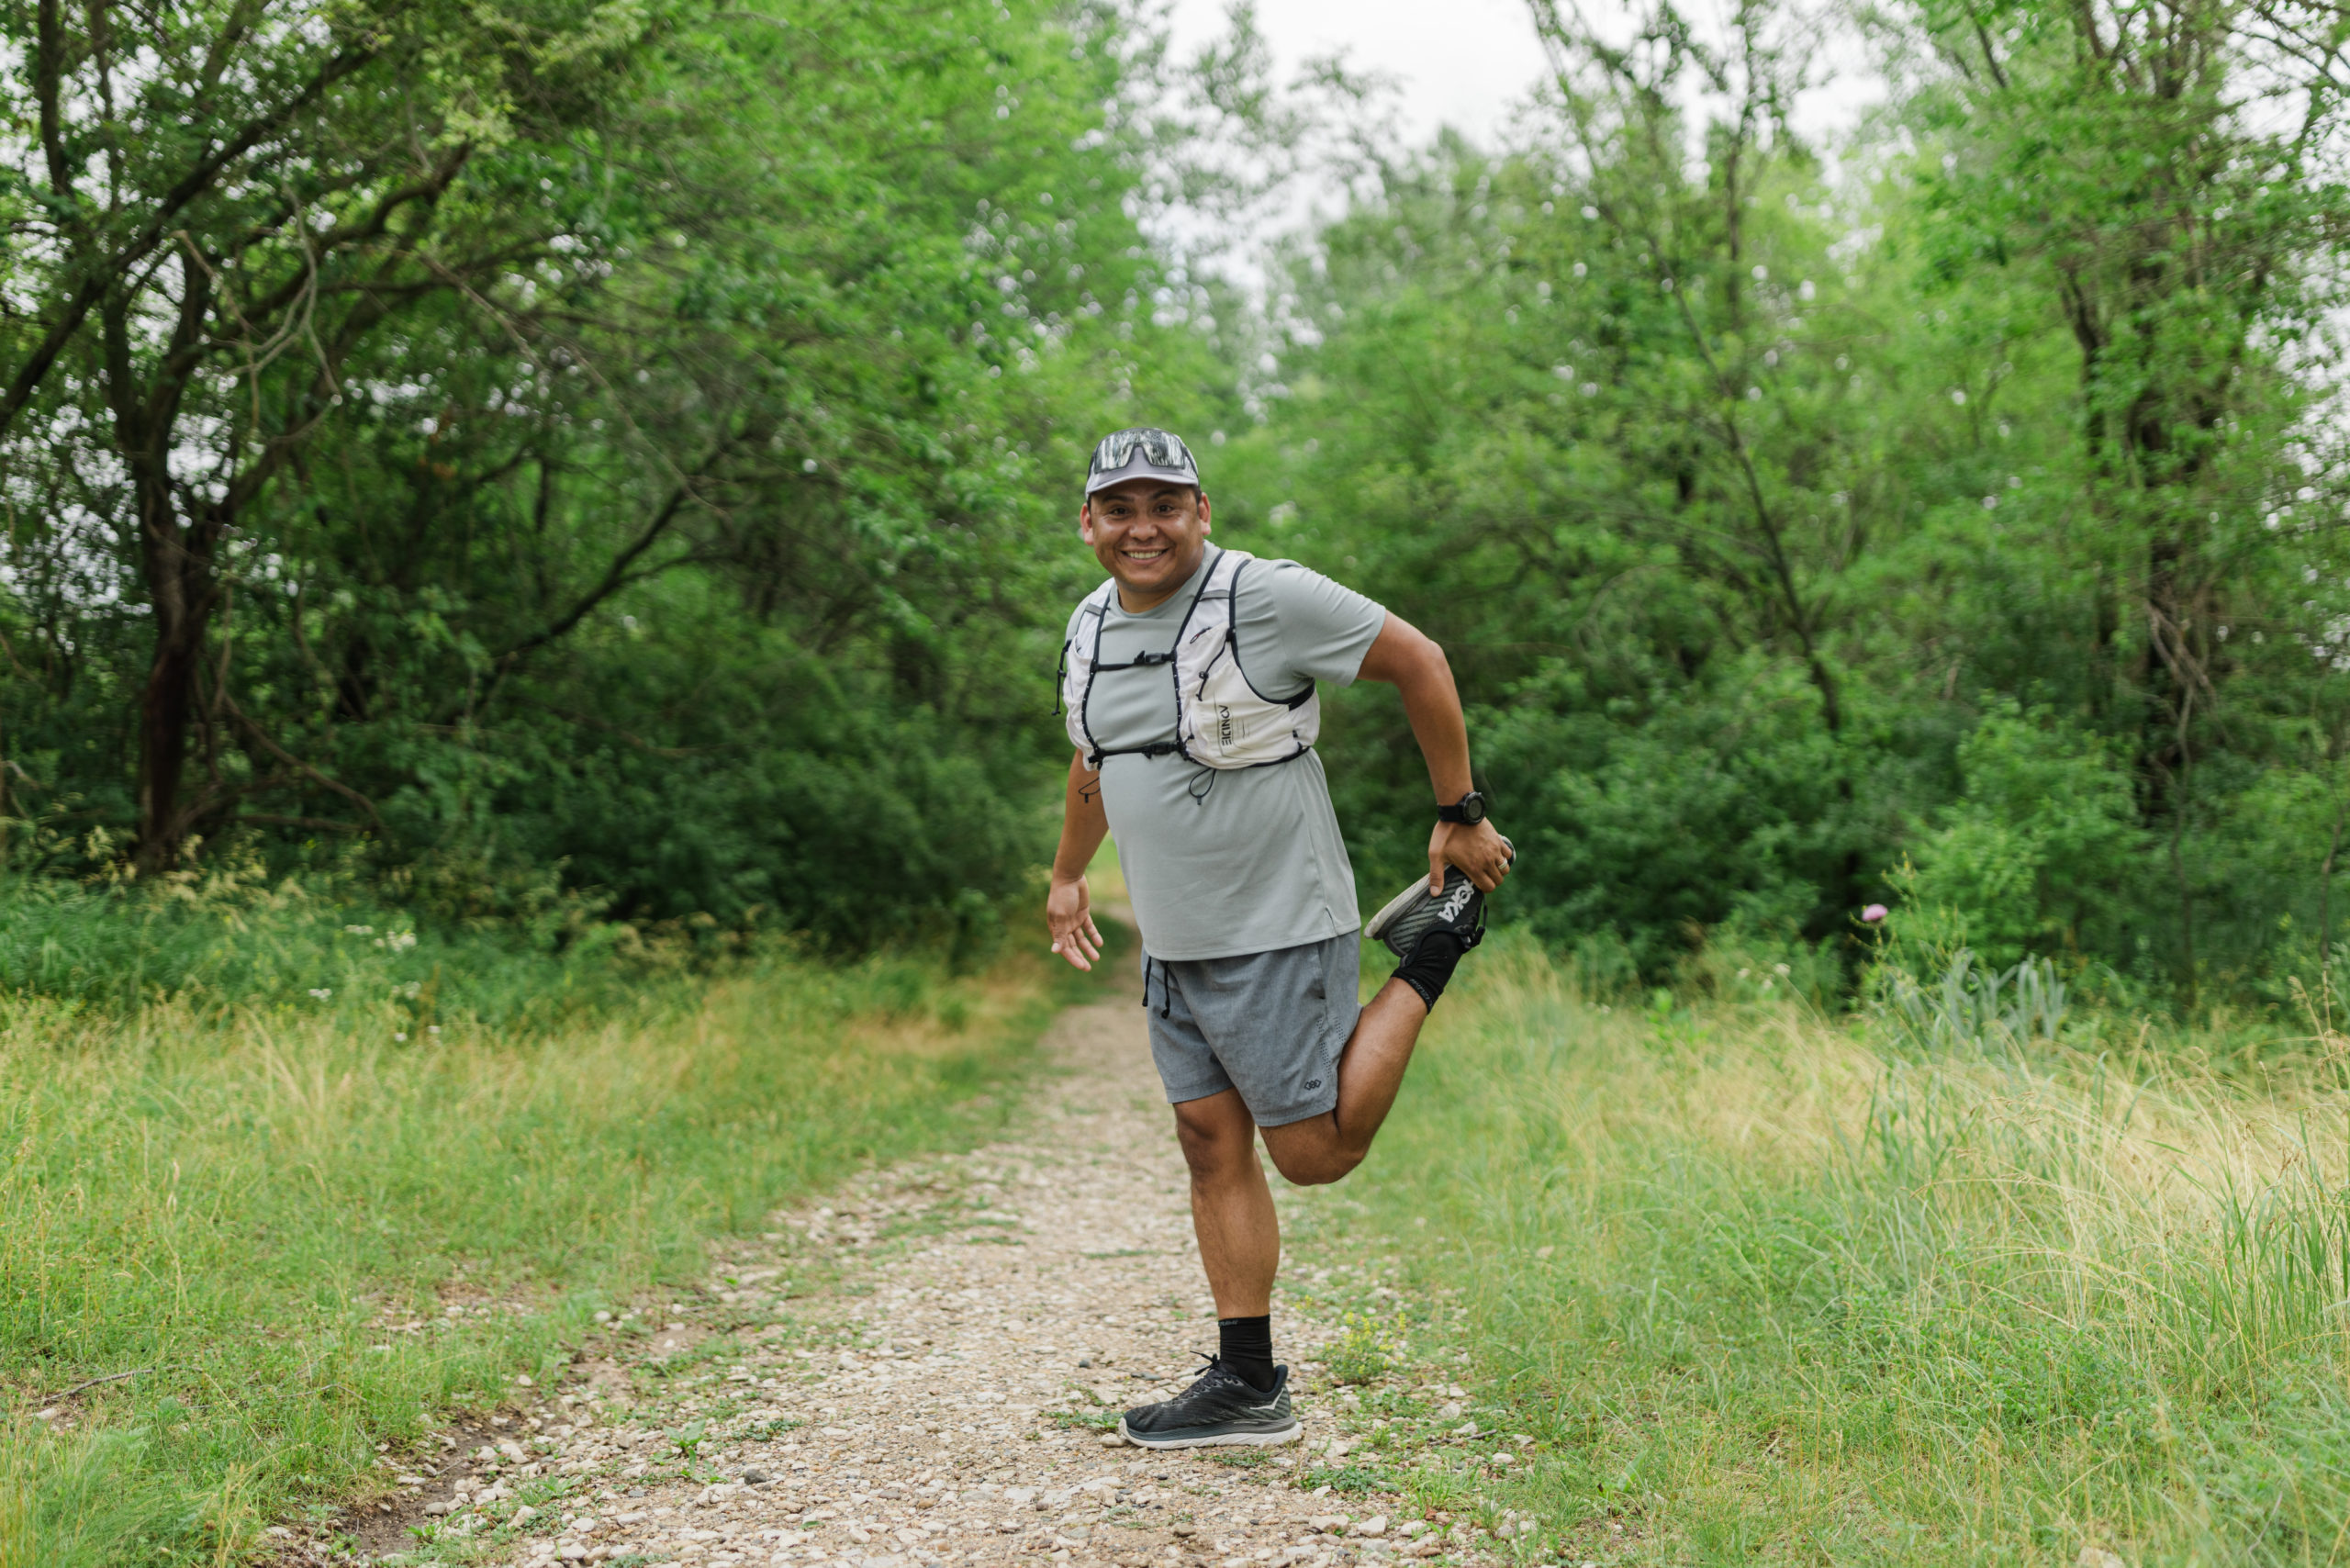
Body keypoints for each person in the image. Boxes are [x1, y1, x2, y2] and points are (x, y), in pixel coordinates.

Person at [1045, 427, 1513, 1450]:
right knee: (1208, 1143)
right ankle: (1247, 1382)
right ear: (1088, 523)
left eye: (1164, 505)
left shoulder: (1263, 596)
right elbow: (1095, 760)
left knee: (1314, 1153)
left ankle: (1434, 949)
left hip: (1277, 921)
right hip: (1173, 940)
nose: (1142, 527)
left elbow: (1420, 660)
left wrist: (1459, 811)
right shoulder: (1088, 626)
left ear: (1201, 512)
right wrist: (1070, 874)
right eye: (1119, 508)